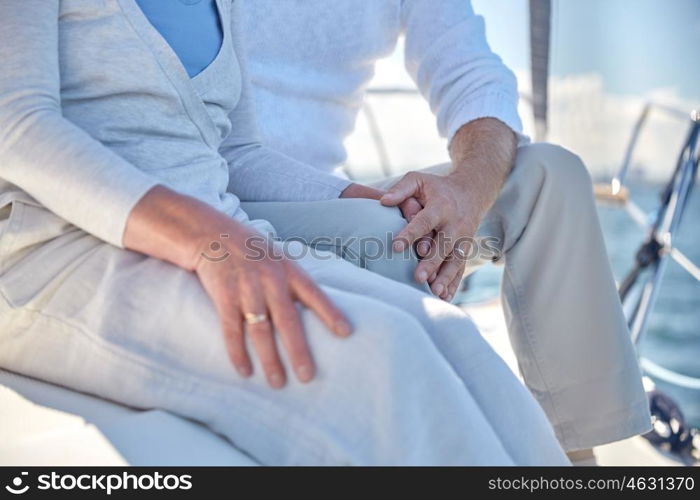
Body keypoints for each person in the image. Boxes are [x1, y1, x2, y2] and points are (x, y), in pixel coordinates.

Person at [0, 0, 569, 465]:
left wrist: (362, 201)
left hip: (225, 236)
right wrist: (204, 239)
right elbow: (16, 125)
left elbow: (236, 150)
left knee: (452, 336)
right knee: (382, 354)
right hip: (56, 252)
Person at [237, 0, 652, 462]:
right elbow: (207, 146)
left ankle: (570, 453)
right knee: (392, 229)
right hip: (220, 196)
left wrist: (466, 192)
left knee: (551, 175)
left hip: (330, 198)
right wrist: (361, 198)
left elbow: (474, 77)